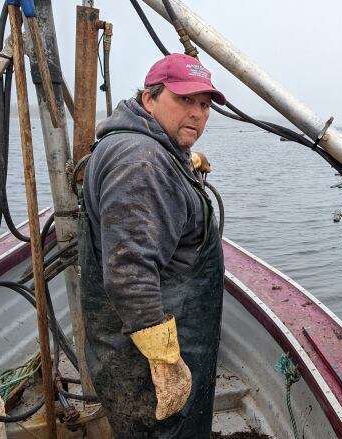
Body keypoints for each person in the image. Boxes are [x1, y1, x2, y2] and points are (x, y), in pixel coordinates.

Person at [78, 53, 226, 437]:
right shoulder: (141, 162)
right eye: (184, 100)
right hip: (146, 351)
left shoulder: (147, 147)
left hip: (149, 333)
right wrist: (164, 361)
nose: (197, 113)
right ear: (149, 99)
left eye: (205, 105)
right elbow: (130, 271)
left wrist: (181, 163)